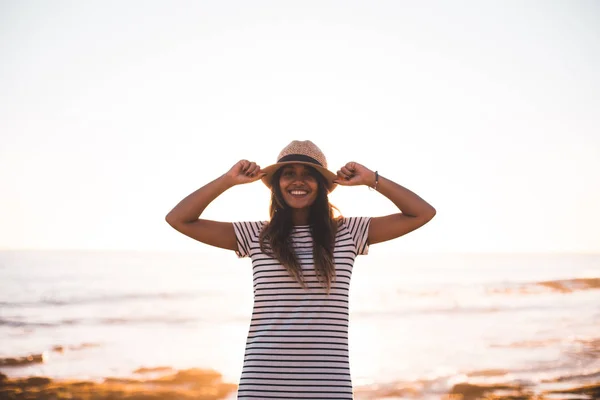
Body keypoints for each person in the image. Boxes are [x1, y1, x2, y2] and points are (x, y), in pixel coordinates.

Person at [165, 140, 436, 399]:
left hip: (328, 381)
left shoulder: (349, 232)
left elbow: (422, 213)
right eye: (288, 174)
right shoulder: (254, 234)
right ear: (276, 184)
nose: (298, 181)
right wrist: (227, 180)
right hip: (263, 380)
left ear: (321, 185)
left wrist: (371, 179)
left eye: (308, 174)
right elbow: (178, 219)